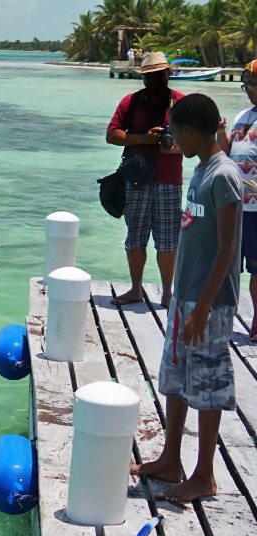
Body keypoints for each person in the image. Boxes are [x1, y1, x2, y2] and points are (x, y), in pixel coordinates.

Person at [133, 93, 243, 503]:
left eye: (178, 132)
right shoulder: (199, 169)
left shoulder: (223, 176)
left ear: (191, 130)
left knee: (208, 385)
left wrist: (201, 308)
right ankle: (171, 458)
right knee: (177, 378)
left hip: (209, 304)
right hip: (187, 296)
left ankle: (205, 475)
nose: (174, 141)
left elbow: (228, 248)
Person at [107, 52, 185, 308]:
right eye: (149, 76)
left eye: (159, 75)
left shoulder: (181, 104)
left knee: (167, 241)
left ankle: (166, 293)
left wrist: (171, 148)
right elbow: (112, 135)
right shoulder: (131, 102)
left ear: (168, 74)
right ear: (142, 78)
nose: (154, 80)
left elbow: (194, 141)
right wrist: (142, 138)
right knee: (135, 237)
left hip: (169, 181)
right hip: (137, 181)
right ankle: (136, 289)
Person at [217, 59, 257, 339]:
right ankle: (221, 316)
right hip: (235, 203)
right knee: (227, 262)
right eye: (247, 85)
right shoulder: (243, 115)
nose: (249, 90)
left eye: (254, 85)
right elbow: (227, 153)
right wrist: (220, 132)